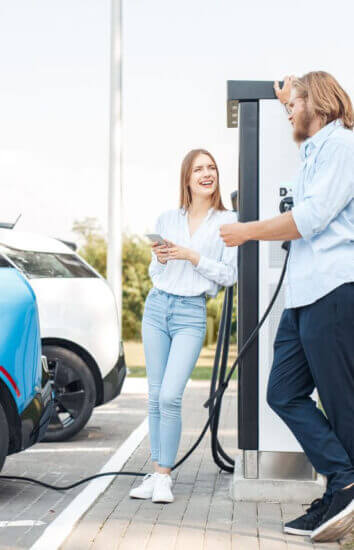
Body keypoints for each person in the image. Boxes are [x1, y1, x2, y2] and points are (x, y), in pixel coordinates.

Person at [221, 71, 354, 543]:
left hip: (332, 289)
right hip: (302, 295)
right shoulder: (315, 151)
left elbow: (311, 217)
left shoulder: (343, 147)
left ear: (318, 102)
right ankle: (345, 481)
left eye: (295, 105)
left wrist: (248, 231)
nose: (289, 113)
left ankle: (341, 495)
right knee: (283, 392)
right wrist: (286, 100)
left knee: (340, 403)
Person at [130, 149, 237, 503]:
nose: (207, 174)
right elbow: (155, 272)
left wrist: (192, 256)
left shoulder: (228, 221)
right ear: (187, 178)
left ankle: (164, 477)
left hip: (191, 311)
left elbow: (229, 275)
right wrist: (160, 258)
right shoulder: (167, 218)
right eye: (199, 169)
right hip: (157, 307)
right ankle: (157, 471)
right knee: (155, 396)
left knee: (170, 396)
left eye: (211, 168)